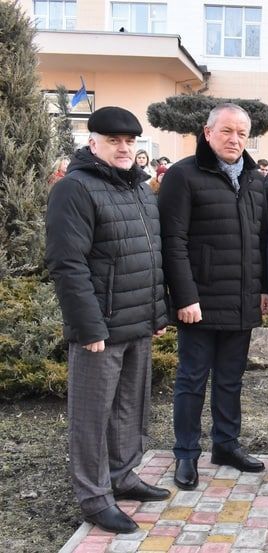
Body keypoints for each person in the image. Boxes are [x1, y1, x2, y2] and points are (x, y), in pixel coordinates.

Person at [45, 106, 169, 533]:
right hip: (100, 328)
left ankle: (122, 475)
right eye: (114, 140)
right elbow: (67, 264)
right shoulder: (75, 189)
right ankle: (94, 497)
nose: (123, 147)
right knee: (92, 415)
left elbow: (148, 257)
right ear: (92, 142)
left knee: (129, 408)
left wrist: (158, 312)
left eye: (130, 141)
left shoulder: (138, 188)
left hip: (137, 322)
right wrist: (88, 326)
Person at [159, 103, 268, 490]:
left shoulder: (256, 180)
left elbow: (262, 240)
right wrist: (184, 298)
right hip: (200, 304)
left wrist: (265, 288)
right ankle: (186, 455)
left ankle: (226, 445)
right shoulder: (183, 176)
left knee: (230, 380)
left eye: (242, 133)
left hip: (241, 300)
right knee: (192, 381)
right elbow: (173, 242)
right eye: (226, 131)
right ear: (208, 133)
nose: (235, 139)